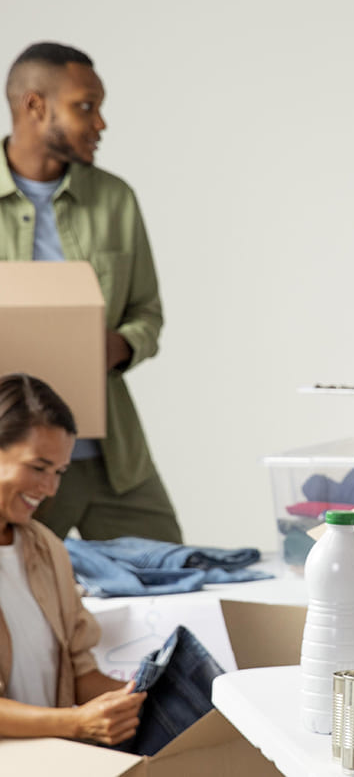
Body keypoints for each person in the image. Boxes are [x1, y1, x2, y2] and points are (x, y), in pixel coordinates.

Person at [1, 42, 182, 542]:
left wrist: (116, 346)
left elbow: (147, 313)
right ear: (34, 105)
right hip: (11, 462)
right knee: (19, 600)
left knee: (172, 577)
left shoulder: (115, 199)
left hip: (112, 456)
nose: (100, 123)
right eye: (86, 107)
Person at [0, 373, 146, 744]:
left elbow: (79, 674)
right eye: (38, 467)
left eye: (58, 472)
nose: (49, 489)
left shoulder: (47, 550)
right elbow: (76, 717)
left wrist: (139, 698)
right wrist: (74, 723)